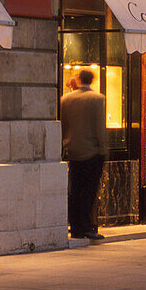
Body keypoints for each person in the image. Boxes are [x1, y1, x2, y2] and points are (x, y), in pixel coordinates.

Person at [60, 69, 108, 242]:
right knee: (88, 191)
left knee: (74, 190)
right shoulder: (98, 99)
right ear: (92, 80)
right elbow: (99, 127)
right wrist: (103, 149)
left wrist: (64, 145)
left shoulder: (66, 99)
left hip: (73, 151)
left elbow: (64, 126)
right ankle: (87, 227)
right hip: (92, 152)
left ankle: (76, 228)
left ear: (79, 80)